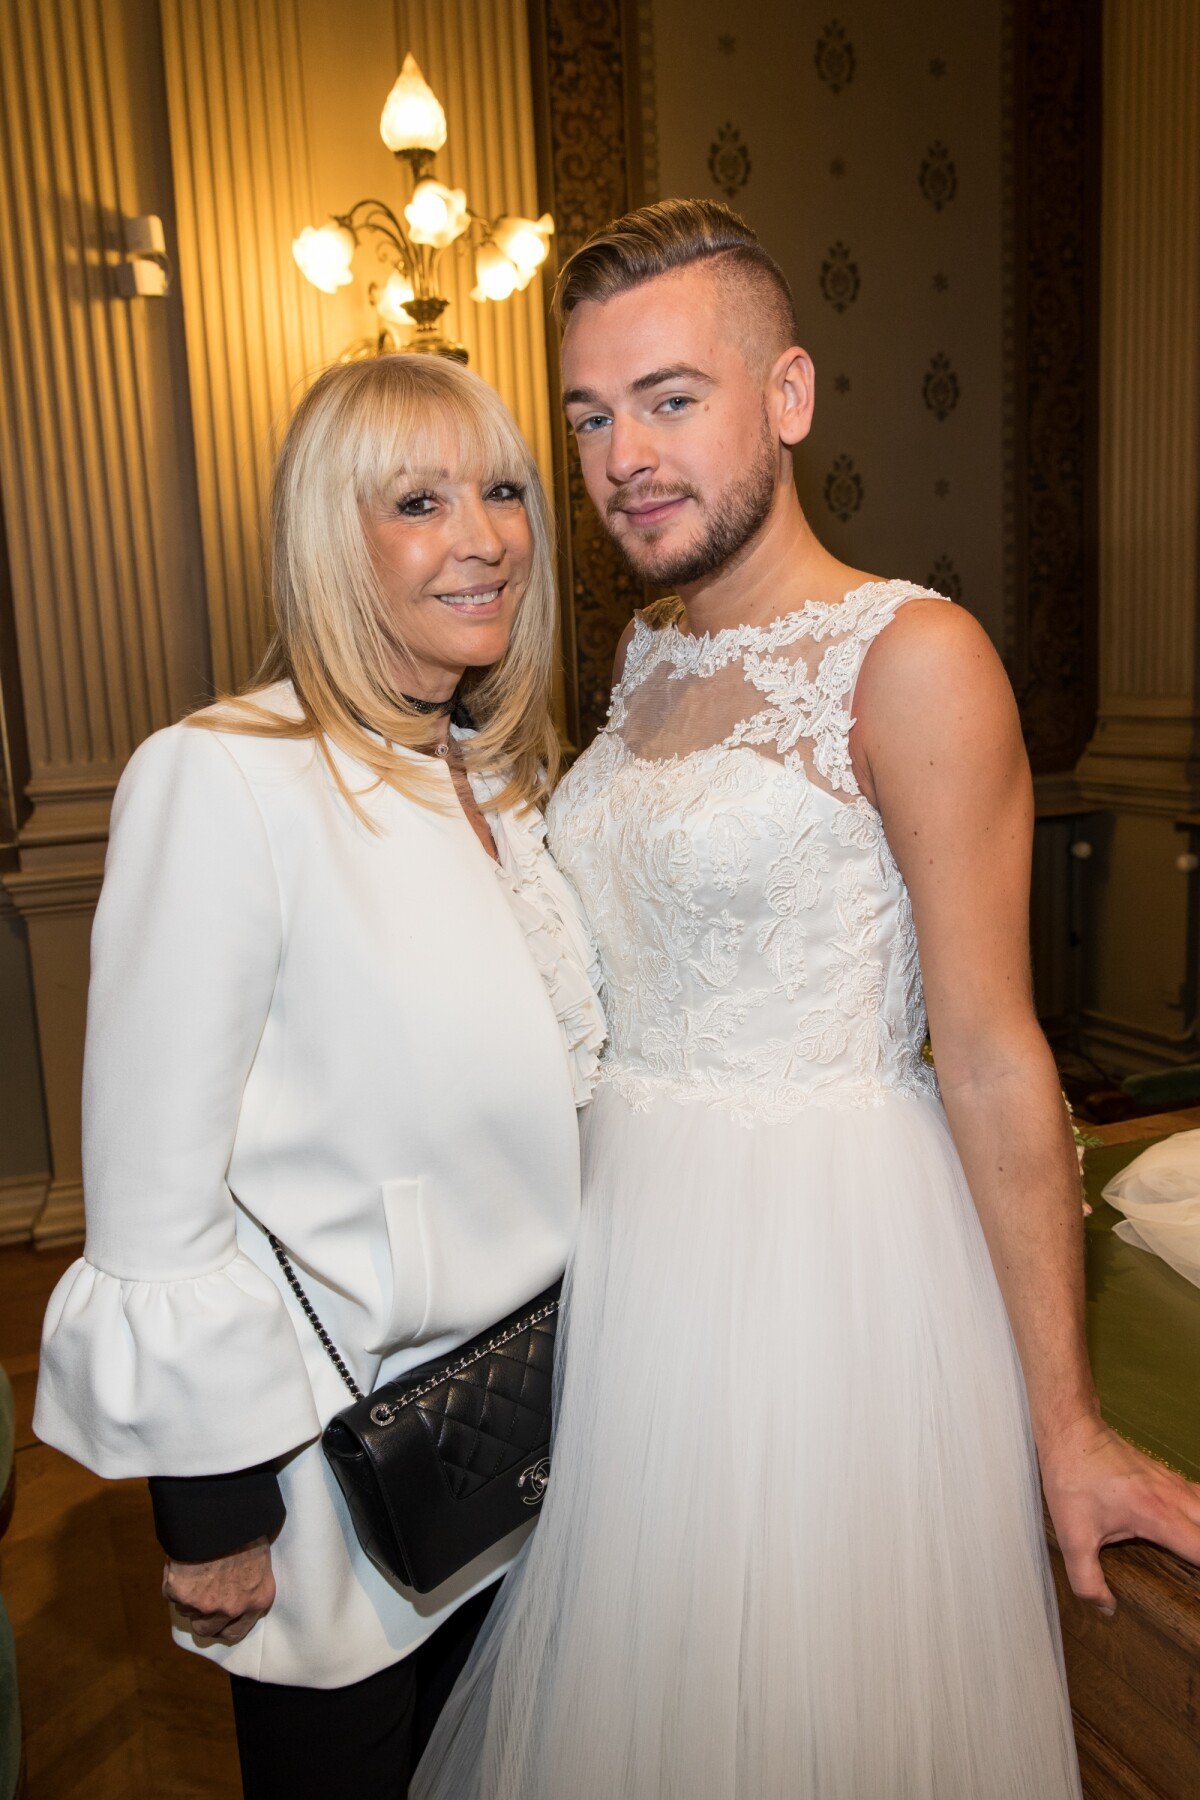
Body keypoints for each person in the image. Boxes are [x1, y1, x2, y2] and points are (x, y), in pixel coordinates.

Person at [413, 200, 1200, 1798]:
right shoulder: (635, 659)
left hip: (818, 1278)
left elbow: (990, 1056)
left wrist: (1068, 1425)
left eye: (672, 398)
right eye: (589, 413)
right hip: (627, 1256)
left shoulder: (914, 658)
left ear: (789, 395)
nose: (623, 452)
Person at [33, 353, 604, 1799]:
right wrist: (208, 1504)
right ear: (328, 542)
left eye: (504, 490)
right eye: (418, 501)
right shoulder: (224, 776)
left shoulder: (498, 780)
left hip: (531, 1430)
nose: (482, 535)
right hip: (334, 1474)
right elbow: (156, 1180)